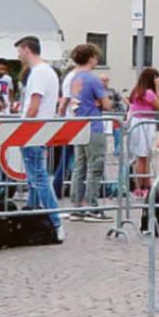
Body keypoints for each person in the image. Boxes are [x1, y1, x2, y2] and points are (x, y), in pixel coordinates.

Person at [16, 36, 64, 240]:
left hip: (33, 131)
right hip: (41, 130)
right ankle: (34, 215)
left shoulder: (38, 73)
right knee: (36, 178)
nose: (18, 55)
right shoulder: (48, 72)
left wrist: (23, 128)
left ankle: (55, 221)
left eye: (19, 51)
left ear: (27, 50)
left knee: (38, 177)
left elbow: (34, 105)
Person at [64, 44, 112, 220]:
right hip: (94, 126)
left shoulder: (74, 78)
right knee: (95, 167)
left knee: (79, 168)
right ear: (91, 57)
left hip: (79, 126)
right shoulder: (93, 79)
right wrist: (101, 101)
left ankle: (76, 206)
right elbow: (106, 104)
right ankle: (92, 206)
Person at [126, 67, 159, 196]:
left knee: (143, 156)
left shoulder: (137, 91)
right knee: (143, 156)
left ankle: (145, 183)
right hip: (145, 124)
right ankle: (140, 185)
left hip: (137, 123)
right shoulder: (148, 93)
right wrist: (158, 89)